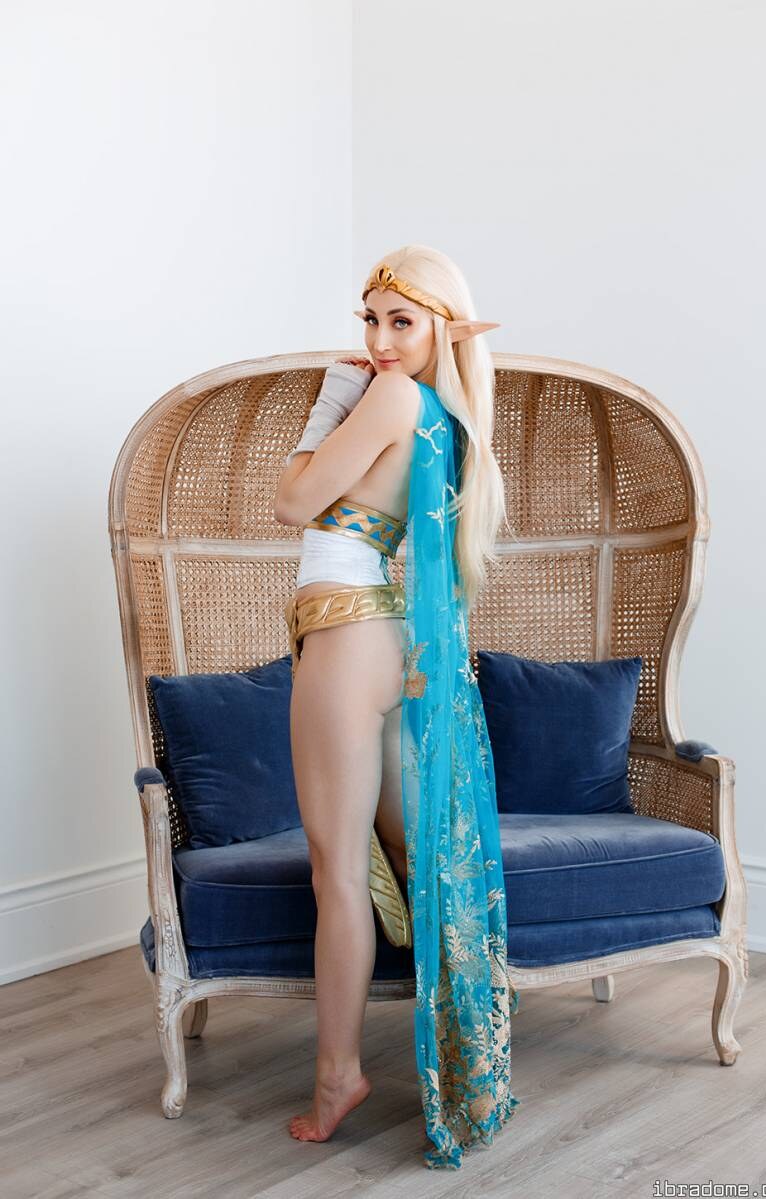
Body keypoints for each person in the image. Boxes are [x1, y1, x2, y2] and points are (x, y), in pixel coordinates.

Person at [274, 244, 520, 1169]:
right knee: (408, 859)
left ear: (443, 328)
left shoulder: (384, 396)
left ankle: (338, 1074)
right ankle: (462, 1054)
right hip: (376, 634)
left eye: (401, 322)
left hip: (345, 635)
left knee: (336, 873)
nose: (379, 340)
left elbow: (293, 500)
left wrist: (332, 395)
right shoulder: (443, 416)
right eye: (370, 320)